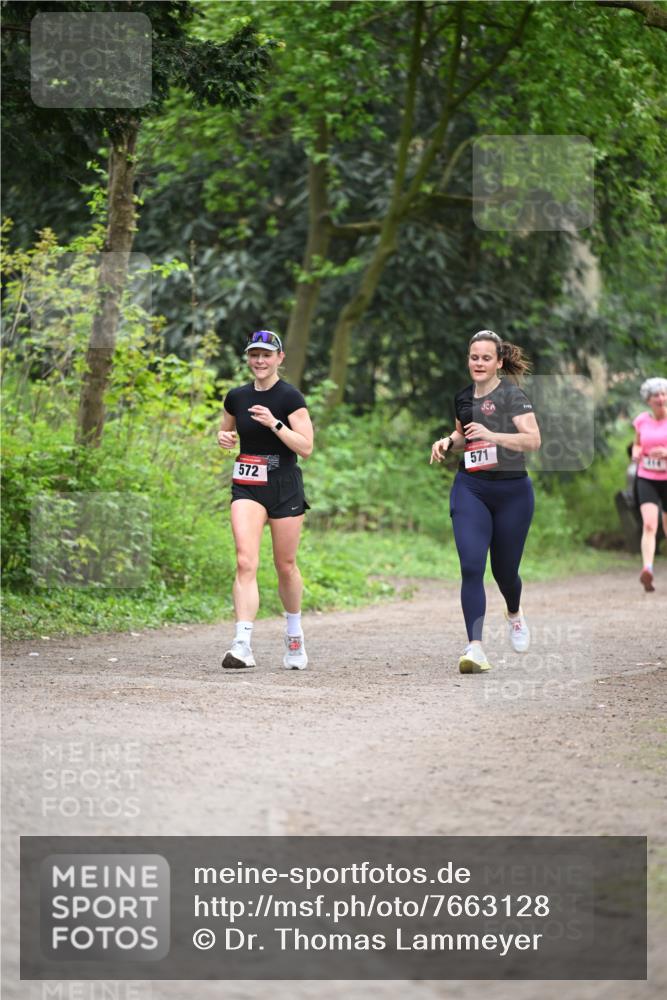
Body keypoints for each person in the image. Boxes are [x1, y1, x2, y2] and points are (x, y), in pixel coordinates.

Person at [430, 330, 541, 674]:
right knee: (471, 566)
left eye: (486, 358)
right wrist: (447, 442)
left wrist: (493, 435)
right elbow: (464, 434)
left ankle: (514, 612)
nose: (478, 363)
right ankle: (475, 647)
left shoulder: (512, 396)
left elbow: (533, 440)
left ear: (499, 362)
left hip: (512, 492)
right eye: (474, 357)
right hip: (471, 488)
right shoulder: (463, 397)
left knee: (505, 572)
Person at [217, 330, 314, 669]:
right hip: (247, 484)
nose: (259, 361)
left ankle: (294, 635)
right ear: (248, 358)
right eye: (254, 355)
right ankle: (242, 644)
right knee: (245, 561)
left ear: (279, 358)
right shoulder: (236, 396)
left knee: (285, 565)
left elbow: (306, 447)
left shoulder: (290, 397)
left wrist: (275, 424)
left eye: (266, 355)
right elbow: (226, 429)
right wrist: (224, 437)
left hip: (284, 485)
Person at [632, 377, 667, 592]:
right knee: (649, 525)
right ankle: (648, 569)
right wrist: (636, 454)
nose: (661, 398)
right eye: (656, 395)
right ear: (648, 400)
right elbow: (637, 445)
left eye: (663, 394)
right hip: (647, 477)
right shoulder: (641, 421)